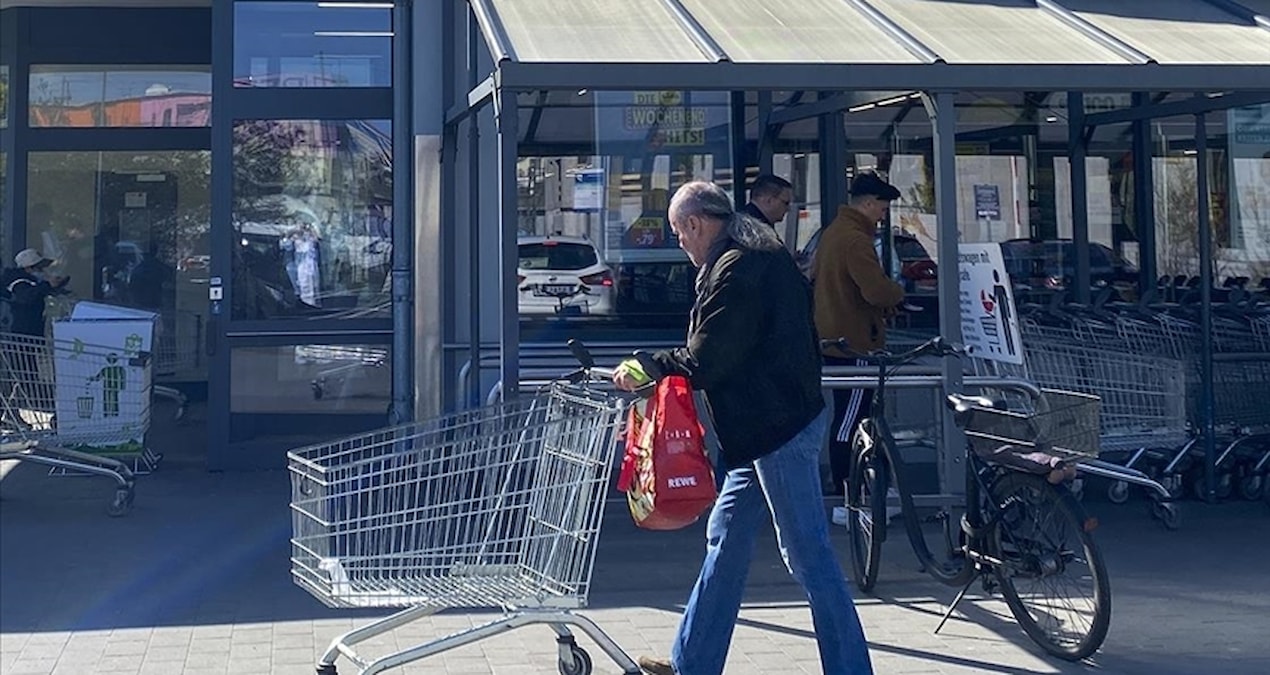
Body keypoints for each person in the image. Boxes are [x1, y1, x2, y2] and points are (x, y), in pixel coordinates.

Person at [613, 181, 873, 675]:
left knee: (808, 556)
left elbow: (710, 357)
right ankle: (693, 662)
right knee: (725, 541)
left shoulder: (739, 267)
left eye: (678, 233)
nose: (680, 244)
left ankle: (851, 668)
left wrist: (649, 365)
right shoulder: (748, 250)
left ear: (694, 223)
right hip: (759, 429)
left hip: (779, 429)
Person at [813, 173, 905, 497]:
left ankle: (859, 486)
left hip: (836, 339)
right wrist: (898, 294)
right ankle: (844, 490)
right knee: (853, 418)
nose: (883, 216)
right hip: (855, 345)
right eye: (881, 209)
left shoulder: (834, 233)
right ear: (867, 204)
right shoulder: (855, 239)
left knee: (853, 416)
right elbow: (877, 290)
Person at [1, 248, 71, 337]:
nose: (43, 270)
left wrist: (58, 286)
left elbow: (38, 292)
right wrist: (48, 285)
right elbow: (27, 296)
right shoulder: (18, 283)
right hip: (23, 333)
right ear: (29, 268)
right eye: (40, 267)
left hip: (33, 329)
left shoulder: (33, 282)